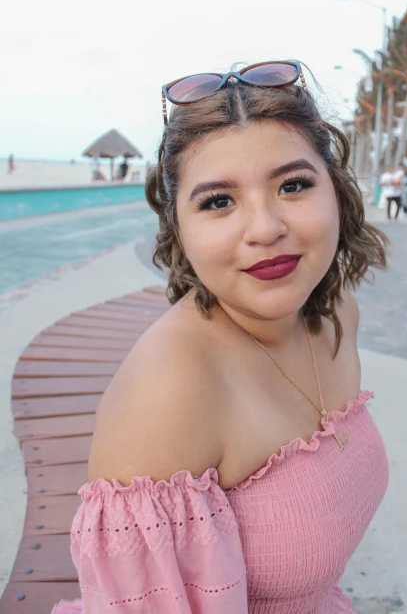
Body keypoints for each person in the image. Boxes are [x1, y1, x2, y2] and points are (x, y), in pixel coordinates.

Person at [52, 60, 389, 614]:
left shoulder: (336, 316)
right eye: (218, 201)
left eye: (294, 184)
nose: (265, 228)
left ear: (337, 192)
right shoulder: (174, 387)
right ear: (178, 229)